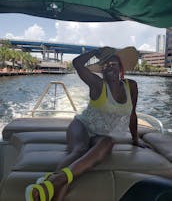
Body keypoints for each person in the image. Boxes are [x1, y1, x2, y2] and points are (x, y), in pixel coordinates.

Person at [26, 46, 143, 201]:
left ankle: (53, 181)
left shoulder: (131, 86)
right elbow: (77, 63)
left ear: (121, 68)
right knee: (79, 150)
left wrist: (136, 140)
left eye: (113, 64)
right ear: (101, 70)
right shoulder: (97, 84)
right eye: (105, 66)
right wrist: (95, 52)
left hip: (101, 135)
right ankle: (55, 185)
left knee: (109, 142)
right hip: (82, 125)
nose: (109, 68)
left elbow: (132, 114)